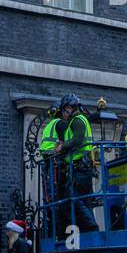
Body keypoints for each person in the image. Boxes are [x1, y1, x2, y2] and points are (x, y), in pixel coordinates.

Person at [48, 94, 99, 235]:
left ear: (70, 108)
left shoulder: (77, 120)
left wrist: (61, 147)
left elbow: (77, 140)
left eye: (64, 110)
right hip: (80, 166)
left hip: (80, 167)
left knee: (74, 196)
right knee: (82, 199)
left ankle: (91, 226)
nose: (63, 113)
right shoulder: (76, 121)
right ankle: (88, 228)